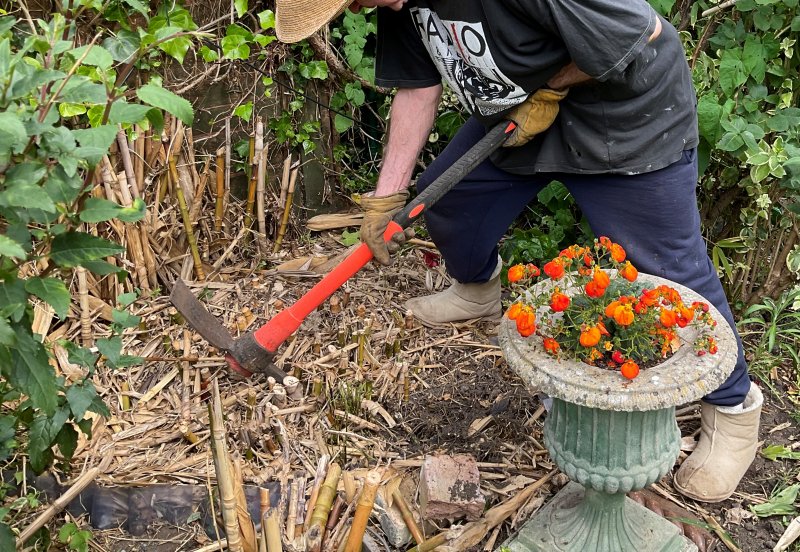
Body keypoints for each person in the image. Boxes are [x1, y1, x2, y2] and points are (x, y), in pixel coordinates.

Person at [274, 0, 762, 503]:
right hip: (521, 117)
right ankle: (477, 290)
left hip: (626, 123)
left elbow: (641, 30)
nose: (359, 8)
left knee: (669, 270)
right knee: (447, 202)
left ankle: (733, 413)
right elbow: (418, 85)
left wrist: (551, 87)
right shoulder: (399, 5)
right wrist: (389, 198)